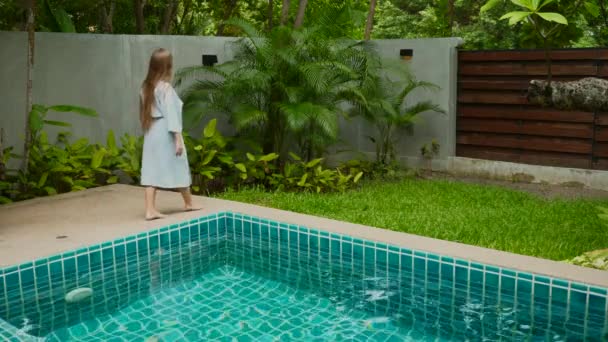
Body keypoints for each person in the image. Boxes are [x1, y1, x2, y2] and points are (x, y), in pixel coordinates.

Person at [139, 48, 196, 220]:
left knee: (151, 169)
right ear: (167, 67)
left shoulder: (145, 87)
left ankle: (150, 209)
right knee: (179, 164)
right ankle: (189, 203)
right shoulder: (165, 88)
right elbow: (172, 115)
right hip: (166, 132)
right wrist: (178, 139)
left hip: (151, 132)